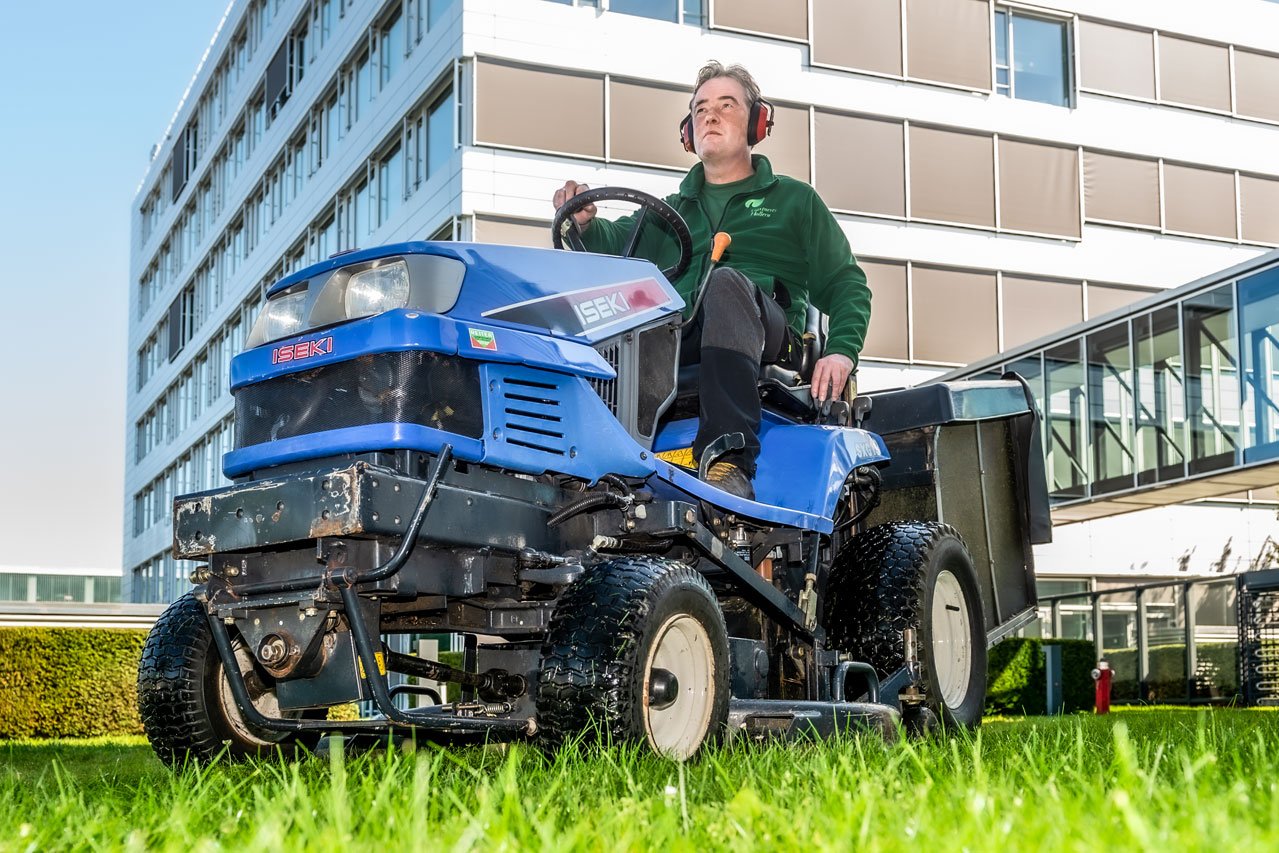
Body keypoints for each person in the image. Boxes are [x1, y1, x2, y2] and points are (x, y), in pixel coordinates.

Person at [552, 61, 871, 501]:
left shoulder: (794, 201)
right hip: (681, 340)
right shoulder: (670, 211)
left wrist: (841, 351)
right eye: (700, 109)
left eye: (726, 105)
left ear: (756, 123)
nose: (711, 115)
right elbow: (612, 242)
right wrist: (584, 224)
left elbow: (847, 283)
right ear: (688, 131)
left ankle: (730, 459)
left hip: (769, 338)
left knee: (724, 283)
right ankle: (593, 465)